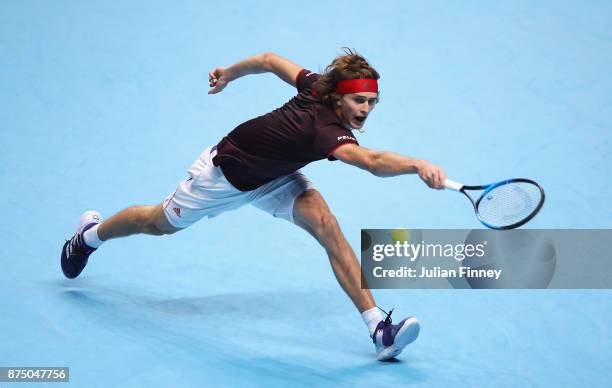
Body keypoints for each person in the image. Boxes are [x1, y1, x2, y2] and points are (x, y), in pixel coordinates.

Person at [61, 49, 446, 361]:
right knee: (156, 223)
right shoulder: (325, 129)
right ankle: (88, 237)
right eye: (359, 100)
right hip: (224, 176)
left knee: (327, 225)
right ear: (337, 96)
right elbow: (372, 162)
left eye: (372, 102)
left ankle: (378, 328)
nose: (365, 109)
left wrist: (230, 71)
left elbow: (266, 60)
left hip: (275, 176)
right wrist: (417, 164)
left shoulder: (317, 88)